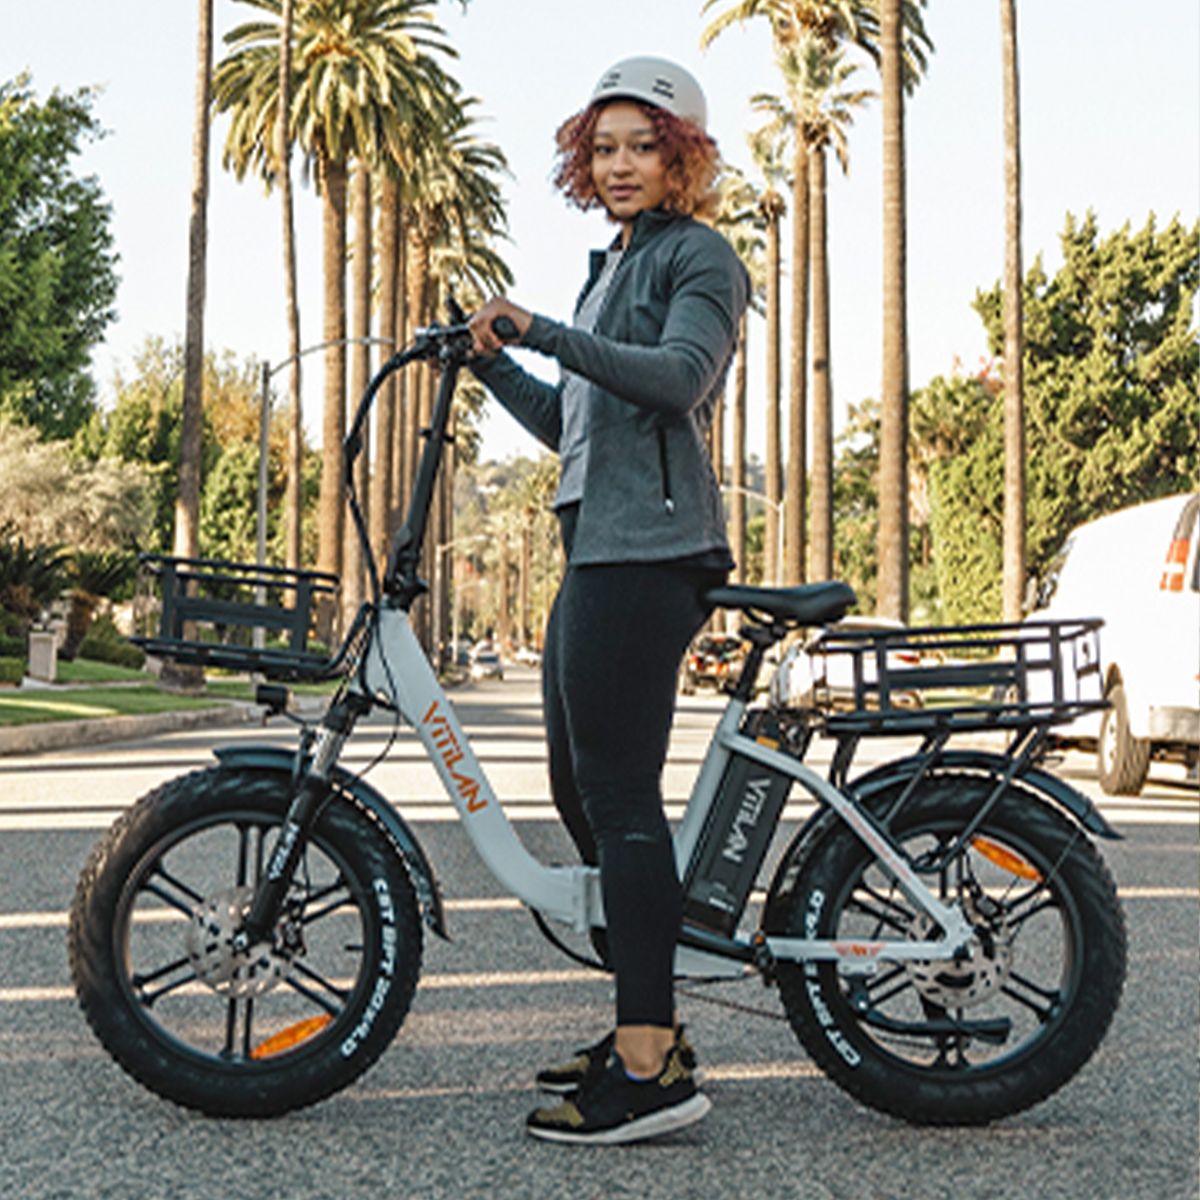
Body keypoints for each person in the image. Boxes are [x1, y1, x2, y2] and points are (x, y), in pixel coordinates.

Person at [467, 55, 749, 1145]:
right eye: (604, 148)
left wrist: (542, 329)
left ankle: (649, 1070)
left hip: (652, 554)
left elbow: (679, 379)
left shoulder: (699, 258)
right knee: (581, 795)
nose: (620, 165)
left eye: (643, 146)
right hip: (596, 550)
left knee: (622, 799)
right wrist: (491, 362)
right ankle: (650, 1023)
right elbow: (574, 427)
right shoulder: (612, 269)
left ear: (682, 158)